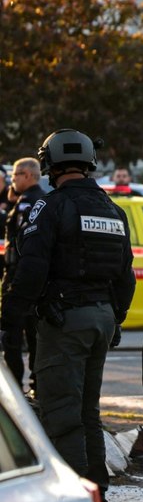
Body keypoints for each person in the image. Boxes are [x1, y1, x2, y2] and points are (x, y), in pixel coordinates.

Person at [3, 130, 134, 502]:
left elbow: (31, 270)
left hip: (65, 321)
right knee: (88, 415)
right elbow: (125, 277)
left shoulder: (50, 206)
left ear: (49, 164)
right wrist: (115, 319)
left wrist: (8, 319)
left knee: (63, 418)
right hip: (101, 319)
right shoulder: (113, 209)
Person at [2, 157, 46, 391]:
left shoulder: (26, 203)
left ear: (28, 175)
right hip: (33, 281)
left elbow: (19, 245)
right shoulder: (38, 201)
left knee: (12, 339)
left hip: (18, 279)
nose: (12, 179)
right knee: (35, 338)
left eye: (16, 175)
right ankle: (37, 387)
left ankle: (16, 390)